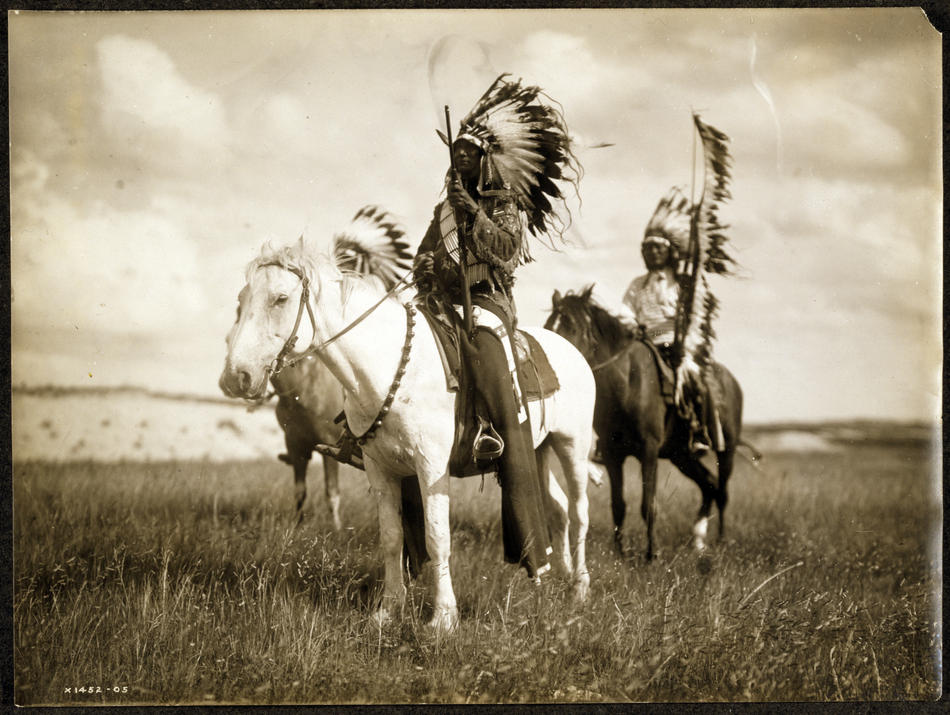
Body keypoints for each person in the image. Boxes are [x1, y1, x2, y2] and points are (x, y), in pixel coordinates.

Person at [413, 74, 582, 581]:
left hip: (488, 303)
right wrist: (423, 278)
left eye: (468, 154)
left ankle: (496, 433)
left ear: (484, 160)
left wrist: (475, 217)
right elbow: (424, 255)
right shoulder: (443, 208)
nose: (459, 160)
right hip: (443, 304)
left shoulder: (501, 203)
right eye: (455, 154)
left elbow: (507, 253)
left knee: (486, 353)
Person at [617, 189, 713, 455]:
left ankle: (698, 431)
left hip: (675, 345)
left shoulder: (682, 283)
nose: (653, 252)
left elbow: (692, 317)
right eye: (648, 248)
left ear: (669, 251)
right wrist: (633, 327)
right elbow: (624, 311)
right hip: (641, 343)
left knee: (692, 380)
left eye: (658, 247)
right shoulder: (638, 284)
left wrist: (680, 340)